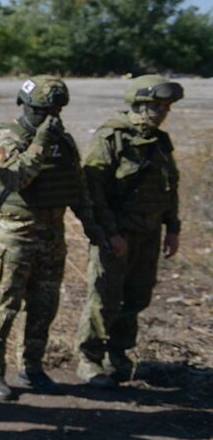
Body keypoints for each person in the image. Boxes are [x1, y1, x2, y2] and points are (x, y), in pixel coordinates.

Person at [0, 77, 106, 399]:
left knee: (44, 306)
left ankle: (32, 368)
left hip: (52, 236)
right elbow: (16, 177)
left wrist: (93, 227)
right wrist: (39, 142)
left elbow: (77, 188)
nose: (51, 118)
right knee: (4, 306)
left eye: (56, 111)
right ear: (24, 106)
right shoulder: (5, 139)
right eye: (42, 111)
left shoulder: (62, 142)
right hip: (15, 236)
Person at [75, 75, 184, 386]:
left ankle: (118, 354)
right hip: (117, 234)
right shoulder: (110, 139)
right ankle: (89, 358)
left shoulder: (159, 142)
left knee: (137, 296)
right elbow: (93, 194)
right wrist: (110, 234)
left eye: (165, 107)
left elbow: (169, 188)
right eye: (154, 105)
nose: (160, 112)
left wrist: (172, 228)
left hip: (149, 234)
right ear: (137, 104)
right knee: (104, 298)